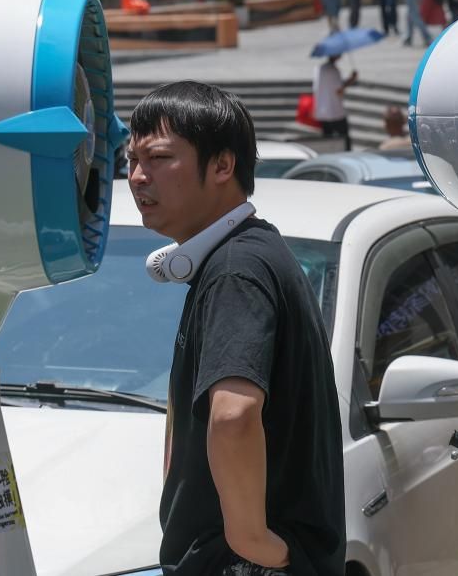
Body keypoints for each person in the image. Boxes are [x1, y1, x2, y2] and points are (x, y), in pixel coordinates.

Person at [126, 81, 346, 576]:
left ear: (223, 165)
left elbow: (233, 416)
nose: (138, 176)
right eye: (132, 160)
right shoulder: (249, 254)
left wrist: (253, 543)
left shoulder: (235, 270)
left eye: (159, 158)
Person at [313, 55, 357, 151]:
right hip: (335, 110)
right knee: (344, 139)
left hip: (323, 111)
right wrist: (351, 80)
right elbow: (339, 90)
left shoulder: (319, 68)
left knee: (327, 139)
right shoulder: (334, 71)